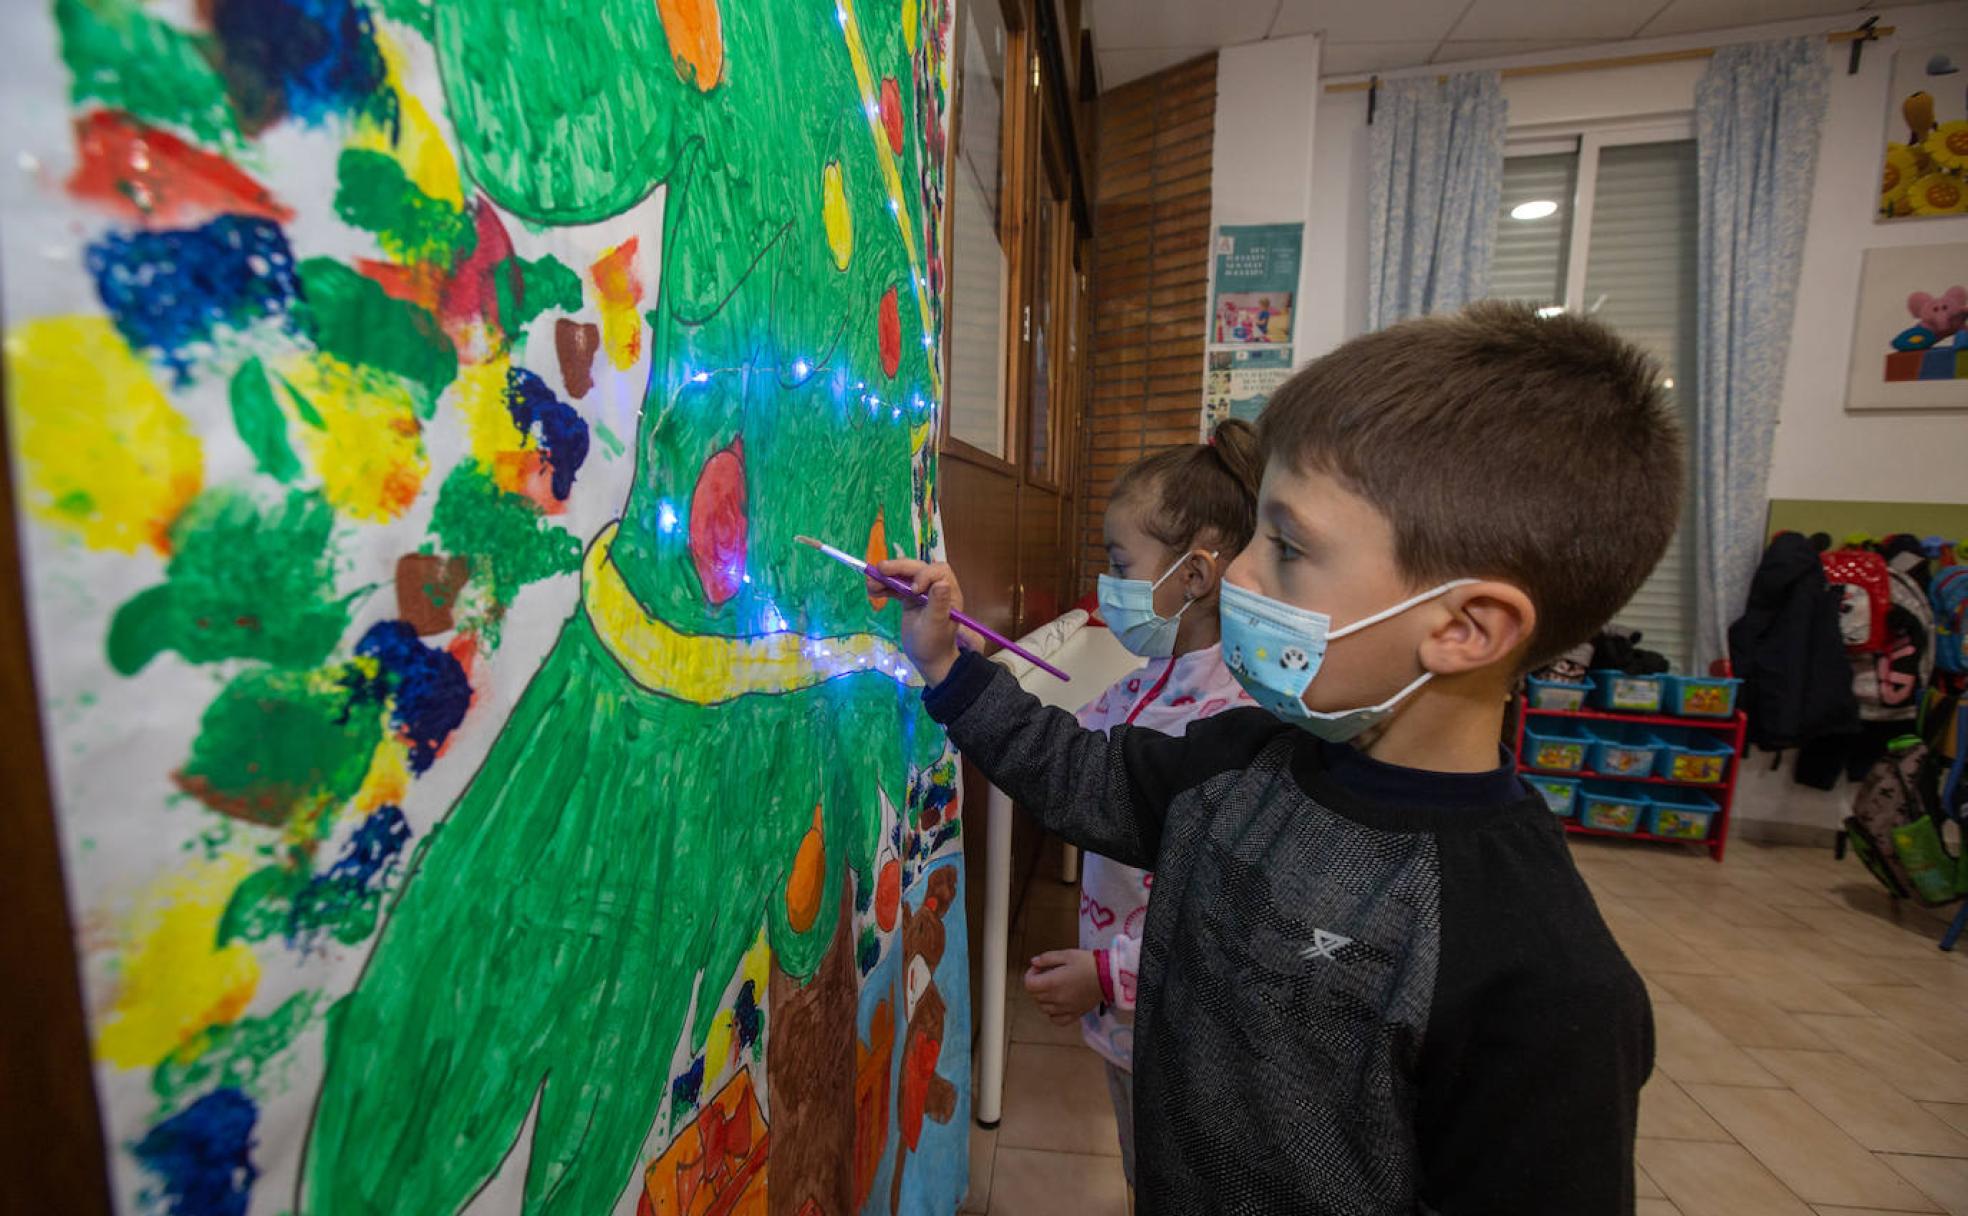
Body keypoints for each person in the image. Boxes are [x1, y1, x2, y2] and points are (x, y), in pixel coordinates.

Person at [877, 302, 1677, 1214]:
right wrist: (945, 663)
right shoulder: (1242, 763)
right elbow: (1086, 777)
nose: (1243, 576)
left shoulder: (1539, 978)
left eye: (1289, 549)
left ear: (1465, 628)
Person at [1022, 419, 1262, 1191]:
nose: (1110, 583)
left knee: (1179, 1182)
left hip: (1179, 1028)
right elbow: (1060, 764)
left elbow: (1229, 924)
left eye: (1122, 564)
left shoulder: (1233, 716)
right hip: (1127, 1027)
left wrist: (1110, 975)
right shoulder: (1139, 685)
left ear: (1194, 575)